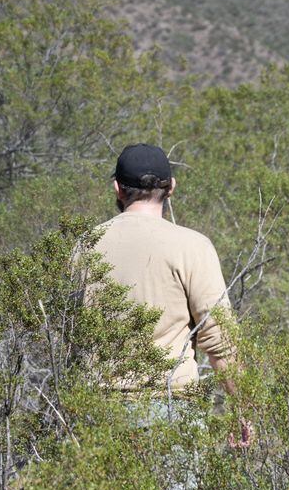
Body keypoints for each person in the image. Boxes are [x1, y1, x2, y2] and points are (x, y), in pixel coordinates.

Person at [87, 144, 251, 445]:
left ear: (117, 189)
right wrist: (242, 408)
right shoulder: (192, 246)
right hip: (172, 410)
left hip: (97, 415)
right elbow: (220, 342)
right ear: (171, 188)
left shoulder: (85, 247)